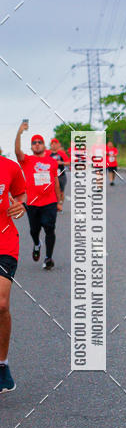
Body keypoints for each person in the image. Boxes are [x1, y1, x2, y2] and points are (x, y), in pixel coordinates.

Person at [15, 122, 62, 270]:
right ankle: (37, 244)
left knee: (50, 229)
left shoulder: (52, 161)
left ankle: (48, 258)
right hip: (33, 204)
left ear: (44, 145)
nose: (36, 144)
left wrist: (59, 200)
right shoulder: (27, 160)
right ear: (31, 147)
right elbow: (17, 152)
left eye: (39, 142)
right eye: (34, 143)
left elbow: (55, 181)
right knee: (34, 231)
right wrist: (19, 132)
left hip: (50, 202)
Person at [0, 153, 27, 392]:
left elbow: (20, 195)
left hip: (4, 241)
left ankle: (2, 363)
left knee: (1, 304)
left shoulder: (9, 167)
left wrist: (20, 205)